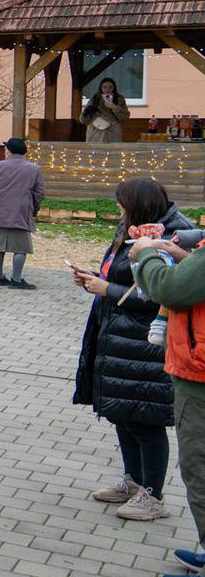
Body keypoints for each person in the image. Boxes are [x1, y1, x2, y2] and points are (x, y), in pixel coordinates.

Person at [73, 179, 191, 523]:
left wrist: (107, 288)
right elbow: (126, 278)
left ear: (139, 204)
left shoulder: (174, 237)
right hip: (119, 337)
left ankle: (152, 496)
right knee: (122, 413)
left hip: (147, 344)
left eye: (122, 204)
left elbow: (163, 292)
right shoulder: (131, 229)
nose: (118, 211)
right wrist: (94, 279)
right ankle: (134, 481)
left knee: (145, 418)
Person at [125, 222, 205, 577]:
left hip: (200, 376)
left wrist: (147, 256)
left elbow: (170, 290)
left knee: (200, 468)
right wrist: (184, 258)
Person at [0, 136, 44, 288]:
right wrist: (34, 208)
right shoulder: (34, 169)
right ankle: (16, 279)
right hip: (22, 212)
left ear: (9, 150)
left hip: (1, 212)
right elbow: (39, 194)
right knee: (21, 248)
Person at [83, 77, 130, 143]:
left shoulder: (119, 99)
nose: (107, 90)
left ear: (114, 88)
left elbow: (125, 116)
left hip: (112, 134)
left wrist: (114, 107)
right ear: (101, 88)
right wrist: (87, 113)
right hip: (95, 134)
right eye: (104, 87)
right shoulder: (94, 99)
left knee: (112, 152)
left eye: (110, 87)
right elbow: (83, 120)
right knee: (95, 152)